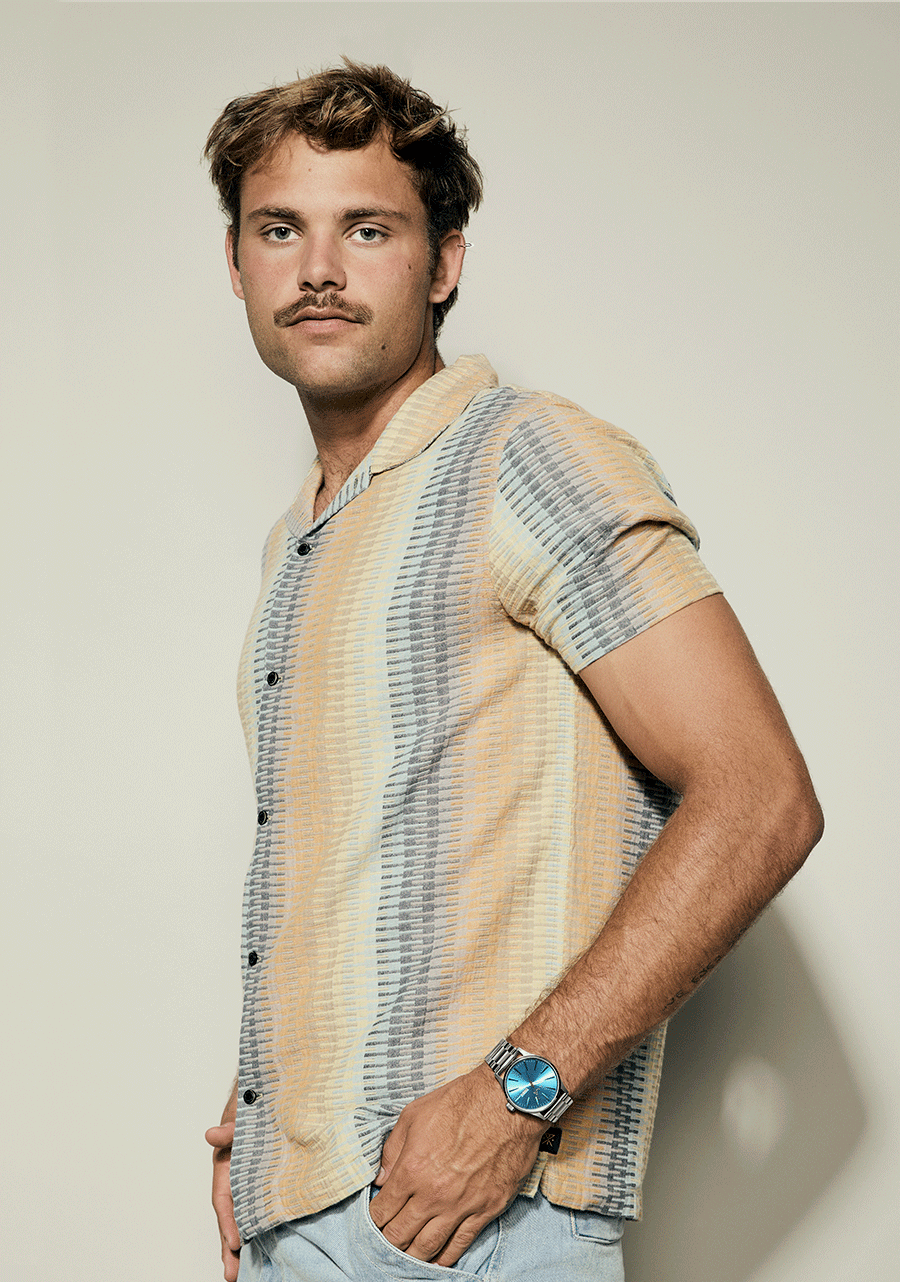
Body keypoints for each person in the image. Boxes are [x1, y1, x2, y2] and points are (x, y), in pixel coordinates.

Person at [202, 60, 823, 1282]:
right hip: (308, 1217)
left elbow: (760, 796)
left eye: (367, 229)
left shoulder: (524, 458)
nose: (318, 268)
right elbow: (361, 864)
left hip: (467, 1227)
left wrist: (515, 1094)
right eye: (280, 229)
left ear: (443, 263)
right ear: (236, 263)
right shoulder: (300, 539)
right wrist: (263, 1119)